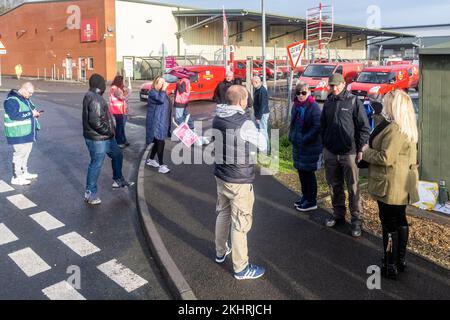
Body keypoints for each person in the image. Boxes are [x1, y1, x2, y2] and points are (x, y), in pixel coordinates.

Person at [362, 90, 419, 280]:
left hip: (391, 184)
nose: (384, 105)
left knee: (389, 224)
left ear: (394, 106)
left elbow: (386, 157)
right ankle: (399, 260)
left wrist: (366, 153)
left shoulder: (395, 129)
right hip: (401, 182)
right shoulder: (406, 126)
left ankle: (390, 263)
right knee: (400, 220)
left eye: (387, 103)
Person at [213, 85, 267, 280]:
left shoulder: (218, 116)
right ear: (242, 101)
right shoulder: (244, 123)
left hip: (221, 175)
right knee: (240, 223)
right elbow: (263, 144)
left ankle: (220, 252)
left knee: (223, 212)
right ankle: (241, 268)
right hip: (239, 179)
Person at [321, 73, 370, 237]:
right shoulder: (328, 102)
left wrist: (360, 150)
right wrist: (325, 146)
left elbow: (364, 127)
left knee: (353, 187)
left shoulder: (353, 101)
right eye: (331, 85)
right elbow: (323, 126)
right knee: (334, 185)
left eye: (336, 85)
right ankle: (338, 214)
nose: (333, 88)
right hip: (330, 152)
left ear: (343, 84)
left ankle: (356, 220)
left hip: (349, 153)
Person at [82, 74, 134, 205]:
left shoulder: (91, 96)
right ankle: (90, 193)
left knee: (117, 155)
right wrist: (110, 131)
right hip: (99, 138)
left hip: (103, 137)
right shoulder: (95, 99)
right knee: (96, 164)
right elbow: (96, 122)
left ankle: (118, 179)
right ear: (100, 86)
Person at [289, 83, 322, 212]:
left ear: (309, 92)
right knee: (301, 173)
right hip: (298, 146)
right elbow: (293, 124)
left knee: (309, 174)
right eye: (298, 93)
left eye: (303, 93)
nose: (301, 96)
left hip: (310, 146)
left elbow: (317, 127)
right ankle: (305, 197)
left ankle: (311, 201)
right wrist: (292, 136)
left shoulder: (313, 107)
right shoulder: (296, 106)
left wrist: (305, 139)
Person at [3, 82, 40, 186]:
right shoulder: (11, 100)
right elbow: (14, 115)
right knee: (19, 154)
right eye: (30, 93)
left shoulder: (25, 99)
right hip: (17, 133)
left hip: (26, 132)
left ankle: (23, 172)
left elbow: (30, 110)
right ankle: (16, 177)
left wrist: (35, 113)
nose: (30, 95)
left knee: (26, 153)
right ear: (23, 89)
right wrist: (31, 113)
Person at [145, 75, 172, 174]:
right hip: (156, 122)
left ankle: (151, 159)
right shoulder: (153, 92)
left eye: (163, 82)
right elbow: (160, 100)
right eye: (160, 82)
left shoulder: (161, 93)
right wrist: (164, 89)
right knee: (161, 142)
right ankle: (161, 166)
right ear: (155, 83)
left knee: (158, 142)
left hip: (161, 121)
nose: (162, 84)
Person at [109, 75, 131, 148]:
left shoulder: (115, 88)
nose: (123, 83)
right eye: (122, 81)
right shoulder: (115, 89)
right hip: (117, 110)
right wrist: (128, 92)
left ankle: (123, 140)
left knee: (120, 126)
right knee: (119, 126)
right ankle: (118, 142)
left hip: (118, 110)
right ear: (119, 81)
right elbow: (122, 97)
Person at [251, 76, 270, 145]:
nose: (251, 84)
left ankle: (266, 149)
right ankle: (260, 146)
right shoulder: (257, 89)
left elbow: (263, 105)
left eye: (252, 82)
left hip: (262, 114)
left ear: (256, 82)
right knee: (257, 130)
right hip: (258, 113)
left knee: (263, 131)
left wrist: (258, 117)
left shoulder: (262, 90)